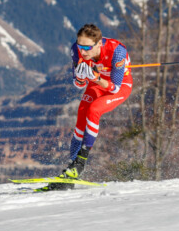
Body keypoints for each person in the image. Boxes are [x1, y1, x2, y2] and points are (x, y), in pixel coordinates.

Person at [54, 23, 132, 184]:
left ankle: (81, 162)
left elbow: (114, 88)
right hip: (96, 83)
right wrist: (82, 77)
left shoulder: (117, 51)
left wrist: (96, 77)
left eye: (87, 48)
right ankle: (72, 167)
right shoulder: (76, 50)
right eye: (79, 45)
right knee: (81, 117)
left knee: (94, 110)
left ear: (98, 44)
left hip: (119, 86)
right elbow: (79, 84)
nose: (82, 51)